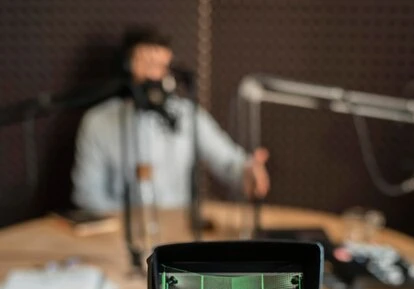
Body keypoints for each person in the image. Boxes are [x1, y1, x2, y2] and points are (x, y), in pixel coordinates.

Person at [71, 26, 270, 214]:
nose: (154, 75)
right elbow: (87, 194)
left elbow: (227, 161)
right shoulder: (97, 122)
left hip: (177, 229)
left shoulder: (188, 115)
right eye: (148, 65)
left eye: (162, 66)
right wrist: (131, 223)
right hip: (121, 231)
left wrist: (247, 172)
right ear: (126, 67)